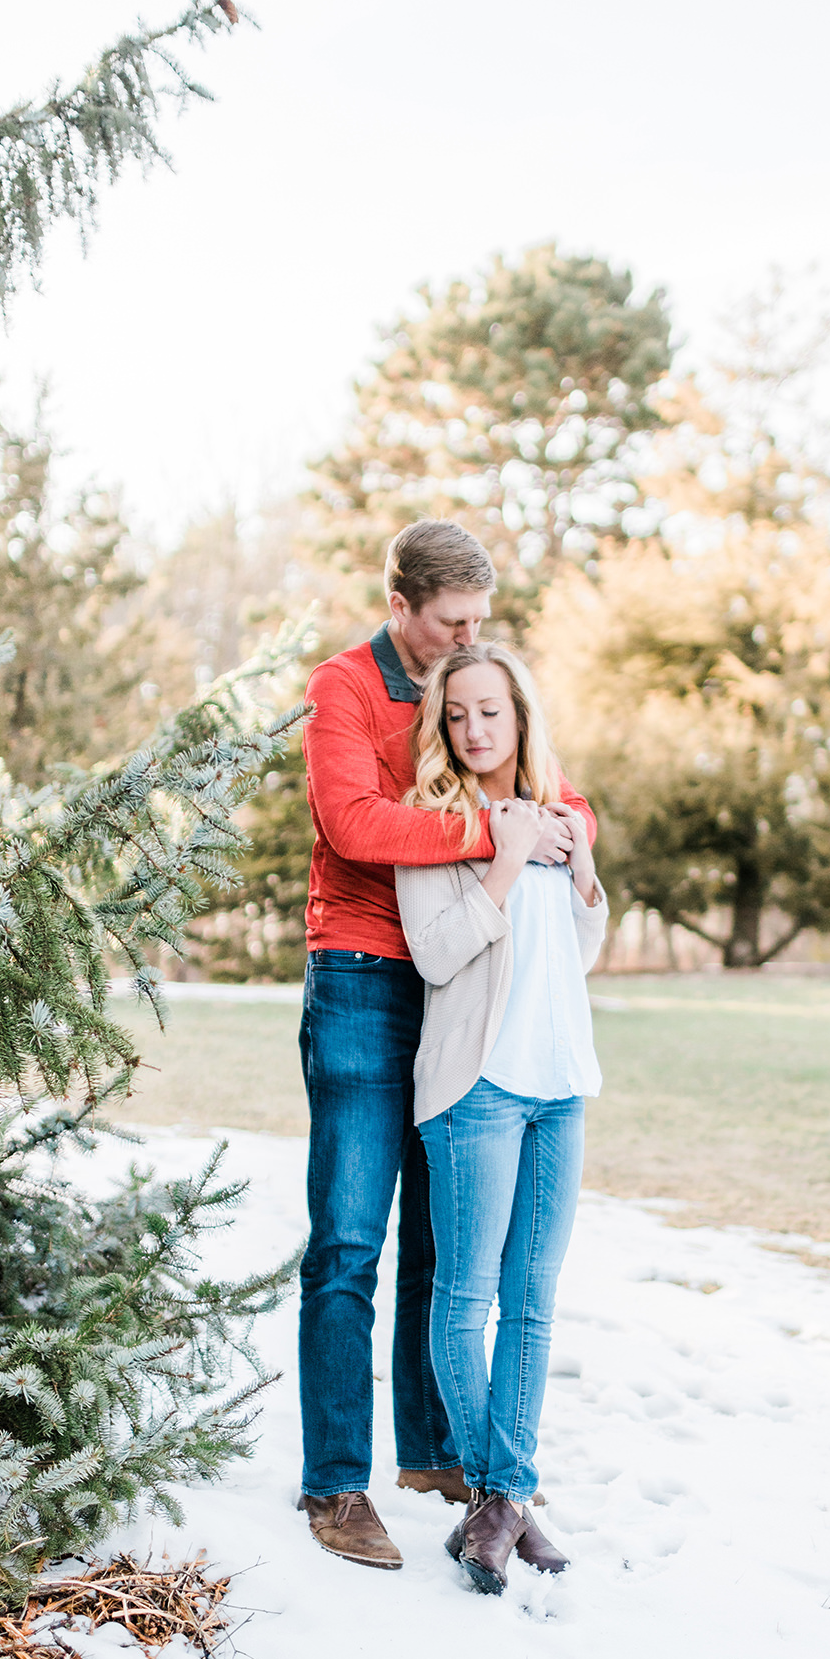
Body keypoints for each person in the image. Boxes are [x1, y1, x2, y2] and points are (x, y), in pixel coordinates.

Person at [296, 521, 596, 1571]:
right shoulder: (344, 688)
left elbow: (556, 786)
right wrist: (501, 831)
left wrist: (552, 821)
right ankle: (337, 1481)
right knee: (349, 1238)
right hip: (364, 977)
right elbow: (357, 824)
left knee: (444, 1241)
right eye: (453, 622)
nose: (470, 637)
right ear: (400, 608)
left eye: (481, 622)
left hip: (473, 989)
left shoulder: (467, 691)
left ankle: (440, 1456)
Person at [395, 641, 608, 1596]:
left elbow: (579, 949)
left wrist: (581, 865)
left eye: (491, 711)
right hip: (477, 1089)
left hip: (559, 1085)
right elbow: (436, 955)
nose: (475, 730)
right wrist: (504, 858)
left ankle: (500, 1503)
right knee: (466, 1298)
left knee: (533, 1302)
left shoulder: (557, 814)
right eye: (457, 715)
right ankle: (506, 1497)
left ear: (520, 715)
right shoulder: (431, 821)